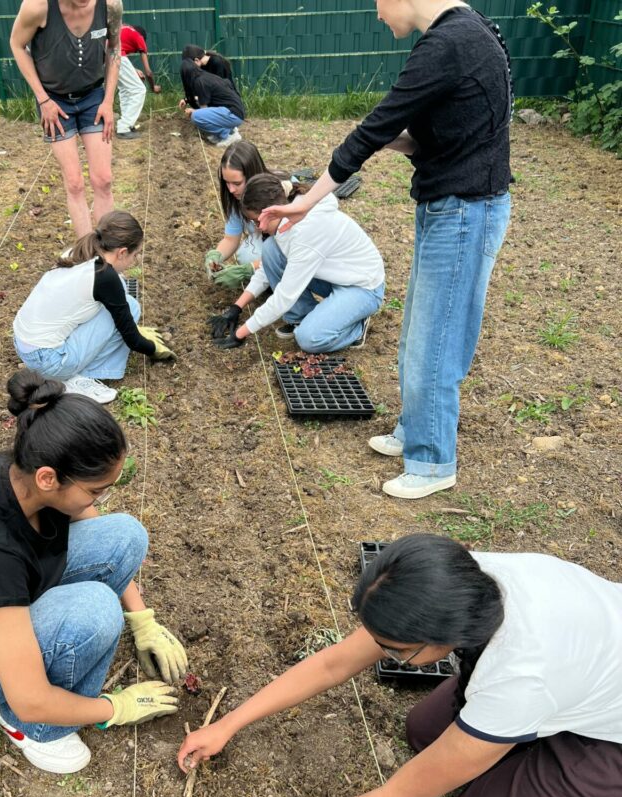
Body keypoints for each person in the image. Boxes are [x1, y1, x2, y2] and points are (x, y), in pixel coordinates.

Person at [178, 534, 622, 797]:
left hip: (607, 732)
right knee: (423, 731)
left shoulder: (519, 678)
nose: (380, 653)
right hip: (585, 679)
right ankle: (540, 738)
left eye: (395, 650)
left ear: (442, 637)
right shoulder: (464, 580)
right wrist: (228, 724)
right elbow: (335, 663)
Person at [258, 0, 513, 500]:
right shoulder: (469, 33)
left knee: (434, 342)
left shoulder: (448, 42)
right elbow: (442, 134)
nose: (377, 13)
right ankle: (415, 431)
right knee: (421, 330)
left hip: (464, 211)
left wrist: (307, 201)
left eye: (376, 1)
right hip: (454, 206)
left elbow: (373, 127)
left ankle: (434, 459)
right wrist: (389, 139)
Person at [0, 370, 189, 775]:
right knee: (94, 611)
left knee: (126, 535)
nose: (101, 499)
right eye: (96, 490)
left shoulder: (22, 471)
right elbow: (30, 697)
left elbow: (90, 520)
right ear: (49, 478)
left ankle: (33, 656)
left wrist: (141, 617)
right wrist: (116, 708)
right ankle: (28, 729)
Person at [13, 211, 175, 405]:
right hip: (48, 362)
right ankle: (79, 378)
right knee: (130, 307)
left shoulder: (79, 251)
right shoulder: (105, 277)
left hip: (23, 343)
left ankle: (66, 369)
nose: (136, 260)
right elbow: (131, 338)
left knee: (121, 296)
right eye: (136, 254)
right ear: (122, 252)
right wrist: (153, 349)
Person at [209, 173, 384, 353]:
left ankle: (355, 328)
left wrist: (240, 333)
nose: (259, 227)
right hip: (334, 275)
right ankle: (302, 317)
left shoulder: (304, 232)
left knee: (309, 339)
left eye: (257, 220)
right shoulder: (288, 214)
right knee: (270, 249)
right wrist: (237, 307)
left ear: (272, 211)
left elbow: (284, 296)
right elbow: (267, 268)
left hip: (362, 287)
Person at [10, 0, 123, 238]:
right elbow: (17, 45)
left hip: (94, 97)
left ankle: (106, 256)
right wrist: (43, 100)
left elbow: (114, 47)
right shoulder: (37, 7)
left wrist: (108, 101)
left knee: (103, 180)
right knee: (74, 183)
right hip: (55, 102)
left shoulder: (110, 5)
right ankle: (87, 255)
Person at [204, 141, 292, 289]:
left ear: (252, 175)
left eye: (237, 183)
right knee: (246, 256)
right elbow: (231, 239)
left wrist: (250, 268)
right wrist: (215, 256)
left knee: (255, 257)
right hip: (268, 244)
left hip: (291, 247)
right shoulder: (235, 198)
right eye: (227, 183)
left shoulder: (279, 193)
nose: (231, 190)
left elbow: (290, 250)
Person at [178, 57, 244, 146]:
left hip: (233, 115)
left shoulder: (199, 82)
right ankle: (227, 131)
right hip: (235, 111)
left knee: (196, 117)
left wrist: (193, 111)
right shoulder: (205, 77)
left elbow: (204, 110)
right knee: (198, 114)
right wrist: (186, 100)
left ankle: (228, 135)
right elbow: (201, 98)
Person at [116, 24, 161, 140]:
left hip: (103, 56)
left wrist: (133, 70)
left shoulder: (123, 28)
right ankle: (124, 127)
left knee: (125, 90)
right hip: (116, 56)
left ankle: (126, 124)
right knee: (139, 90)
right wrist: (153, 87)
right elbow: (148, 72)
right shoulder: (139, 37)